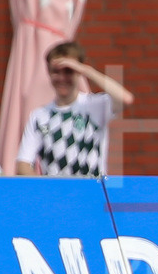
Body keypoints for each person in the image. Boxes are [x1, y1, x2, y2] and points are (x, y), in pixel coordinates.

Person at [16, 41, 134, 177]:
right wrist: (47, 190)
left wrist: (86, 71)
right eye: (56, 71)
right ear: (48, 72)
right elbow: (23, 164)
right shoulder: (39, 115)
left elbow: (126, 98)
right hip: (57, 195)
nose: (62, 78)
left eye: (69, 71)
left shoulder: (94, 105)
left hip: (92, 192)